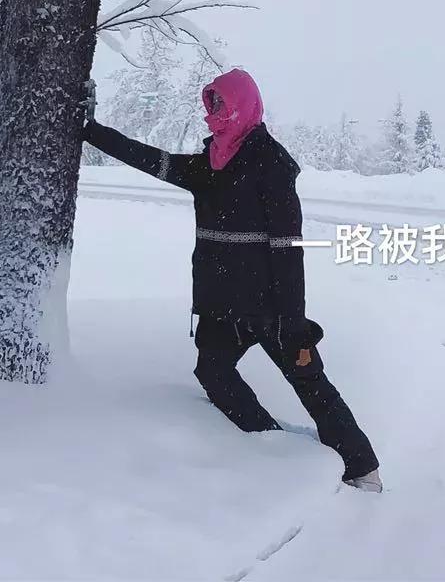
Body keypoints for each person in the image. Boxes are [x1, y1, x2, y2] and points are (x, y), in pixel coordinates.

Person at [83, 67, 382, 492]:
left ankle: (361, 470)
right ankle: (272, 445)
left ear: (244, 105)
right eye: (210, 106)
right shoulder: (210, 165)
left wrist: (292, 322)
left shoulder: (271, 165)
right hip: (223, 308)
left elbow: (287, 249)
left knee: (310, 383)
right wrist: (92, 132)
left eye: (219, 105)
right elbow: (154, 161)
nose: (211, 115)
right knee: (213, 373)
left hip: (270, 310)